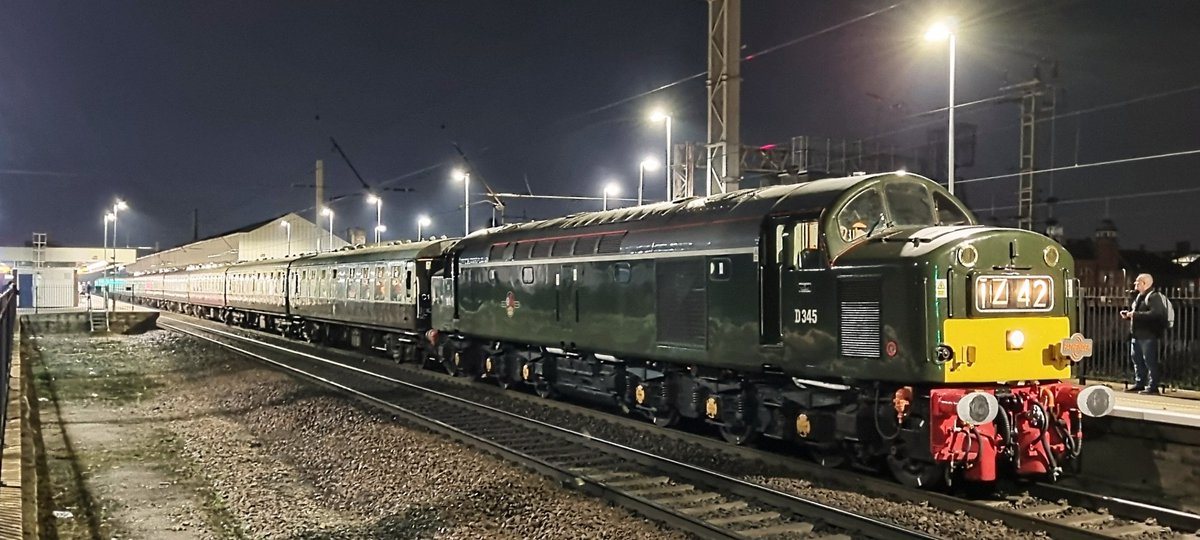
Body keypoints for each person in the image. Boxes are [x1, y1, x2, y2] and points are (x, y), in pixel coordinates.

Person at [1119, 273, 1168, 394]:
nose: (1135, 284)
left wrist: (1135, 315)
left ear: (1145, 283)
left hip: (1149, 335)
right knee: (1137, 361)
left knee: (1150, 361)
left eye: (1138, 282)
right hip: (1137, 335)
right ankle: (1140, 383)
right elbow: (1141, 314)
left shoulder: (1154, 297)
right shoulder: (1140, 297)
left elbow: (1156, 314)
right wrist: (1129, 315)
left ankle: (1153, 386)